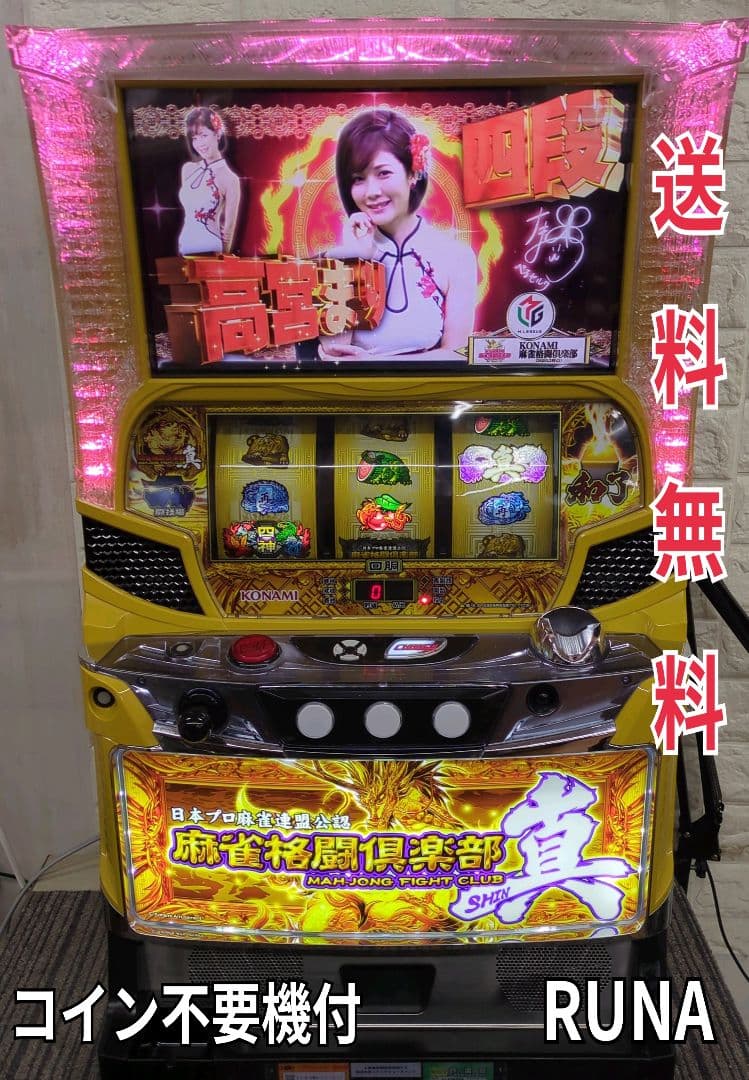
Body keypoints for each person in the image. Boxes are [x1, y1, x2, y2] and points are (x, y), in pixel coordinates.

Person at [321, 109, 477, 357]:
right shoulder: (338, 260)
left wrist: (374, 365)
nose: (371, 192)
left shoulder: (455, 256)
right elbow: (333, 353)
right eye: (358, 179)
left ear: (413, 173)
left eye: (383, 173)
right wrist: (355, 261)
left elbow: (458, 353)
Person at [177, 107, 241, 256]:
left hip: (210, 248)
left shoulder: (230, 179)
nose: (199, 143)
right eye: (195, 138)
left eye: (204, 135)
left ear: (217, 134)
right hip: (185, 245)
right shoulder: (188, 169)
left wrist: (222, 260)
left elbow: (228, 230)